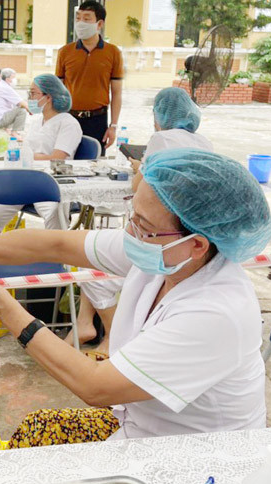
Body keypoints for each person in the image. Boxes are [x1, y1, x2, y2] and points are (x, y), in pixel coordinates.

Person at [0, 148, 271, 444]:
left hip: (193, 457)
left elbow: (96, 388)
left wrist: (9, 312)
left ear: (196, 244)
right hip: (140, 425)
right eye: (131, 215)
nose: (129, 232)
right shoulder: (164, 254)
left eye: (142, 225)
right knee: (36, 430)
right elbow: (56, 242)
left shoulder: (215, 313)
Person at [77, 87, 213, 358]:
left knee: (93, 266)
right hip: (186, 227)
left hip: (159, 229)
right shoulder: (203, 142)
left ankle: (109, 336)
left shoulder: (162, 139)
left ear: (160, 115)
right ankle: (85, 323)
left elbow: (143, 185)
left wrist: (140, 167)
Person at [0, 74, 82, 236]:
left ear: (48, 97)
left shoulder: (68, 123)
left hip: (50, 184)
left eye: (33, 93)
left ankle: (54, 258)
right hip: (23, 180)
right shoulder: (36, 121)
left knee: (56, 217)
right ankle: (0, 256)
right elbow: (27, 149)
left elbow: (58, 157)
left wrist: (28, 157)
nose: (29, 98)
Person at [56, 1, 123, 152]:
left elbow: (117, 93)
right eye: (78, 18)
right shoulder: (65, 52)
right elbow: (58, 91)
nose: (80, 23)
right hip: (69, 117)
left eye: (86, 19)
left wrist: (113, 126)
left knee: (94, 163)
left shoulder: (113, 53)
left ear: (99, 24)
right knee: (64, 162)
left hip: (97, 119)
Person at [0, 68, 30, 137]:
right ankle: (14, 132)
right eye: (13, 77)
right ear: (7, 78)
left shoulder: (2, 85)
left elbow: (18, 102)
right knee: (22, 110)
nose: (15, 80)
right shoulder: (4, 87)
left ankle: (7, 128)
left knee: (17, 107)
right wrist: (31, 110)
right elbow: (22, 103)